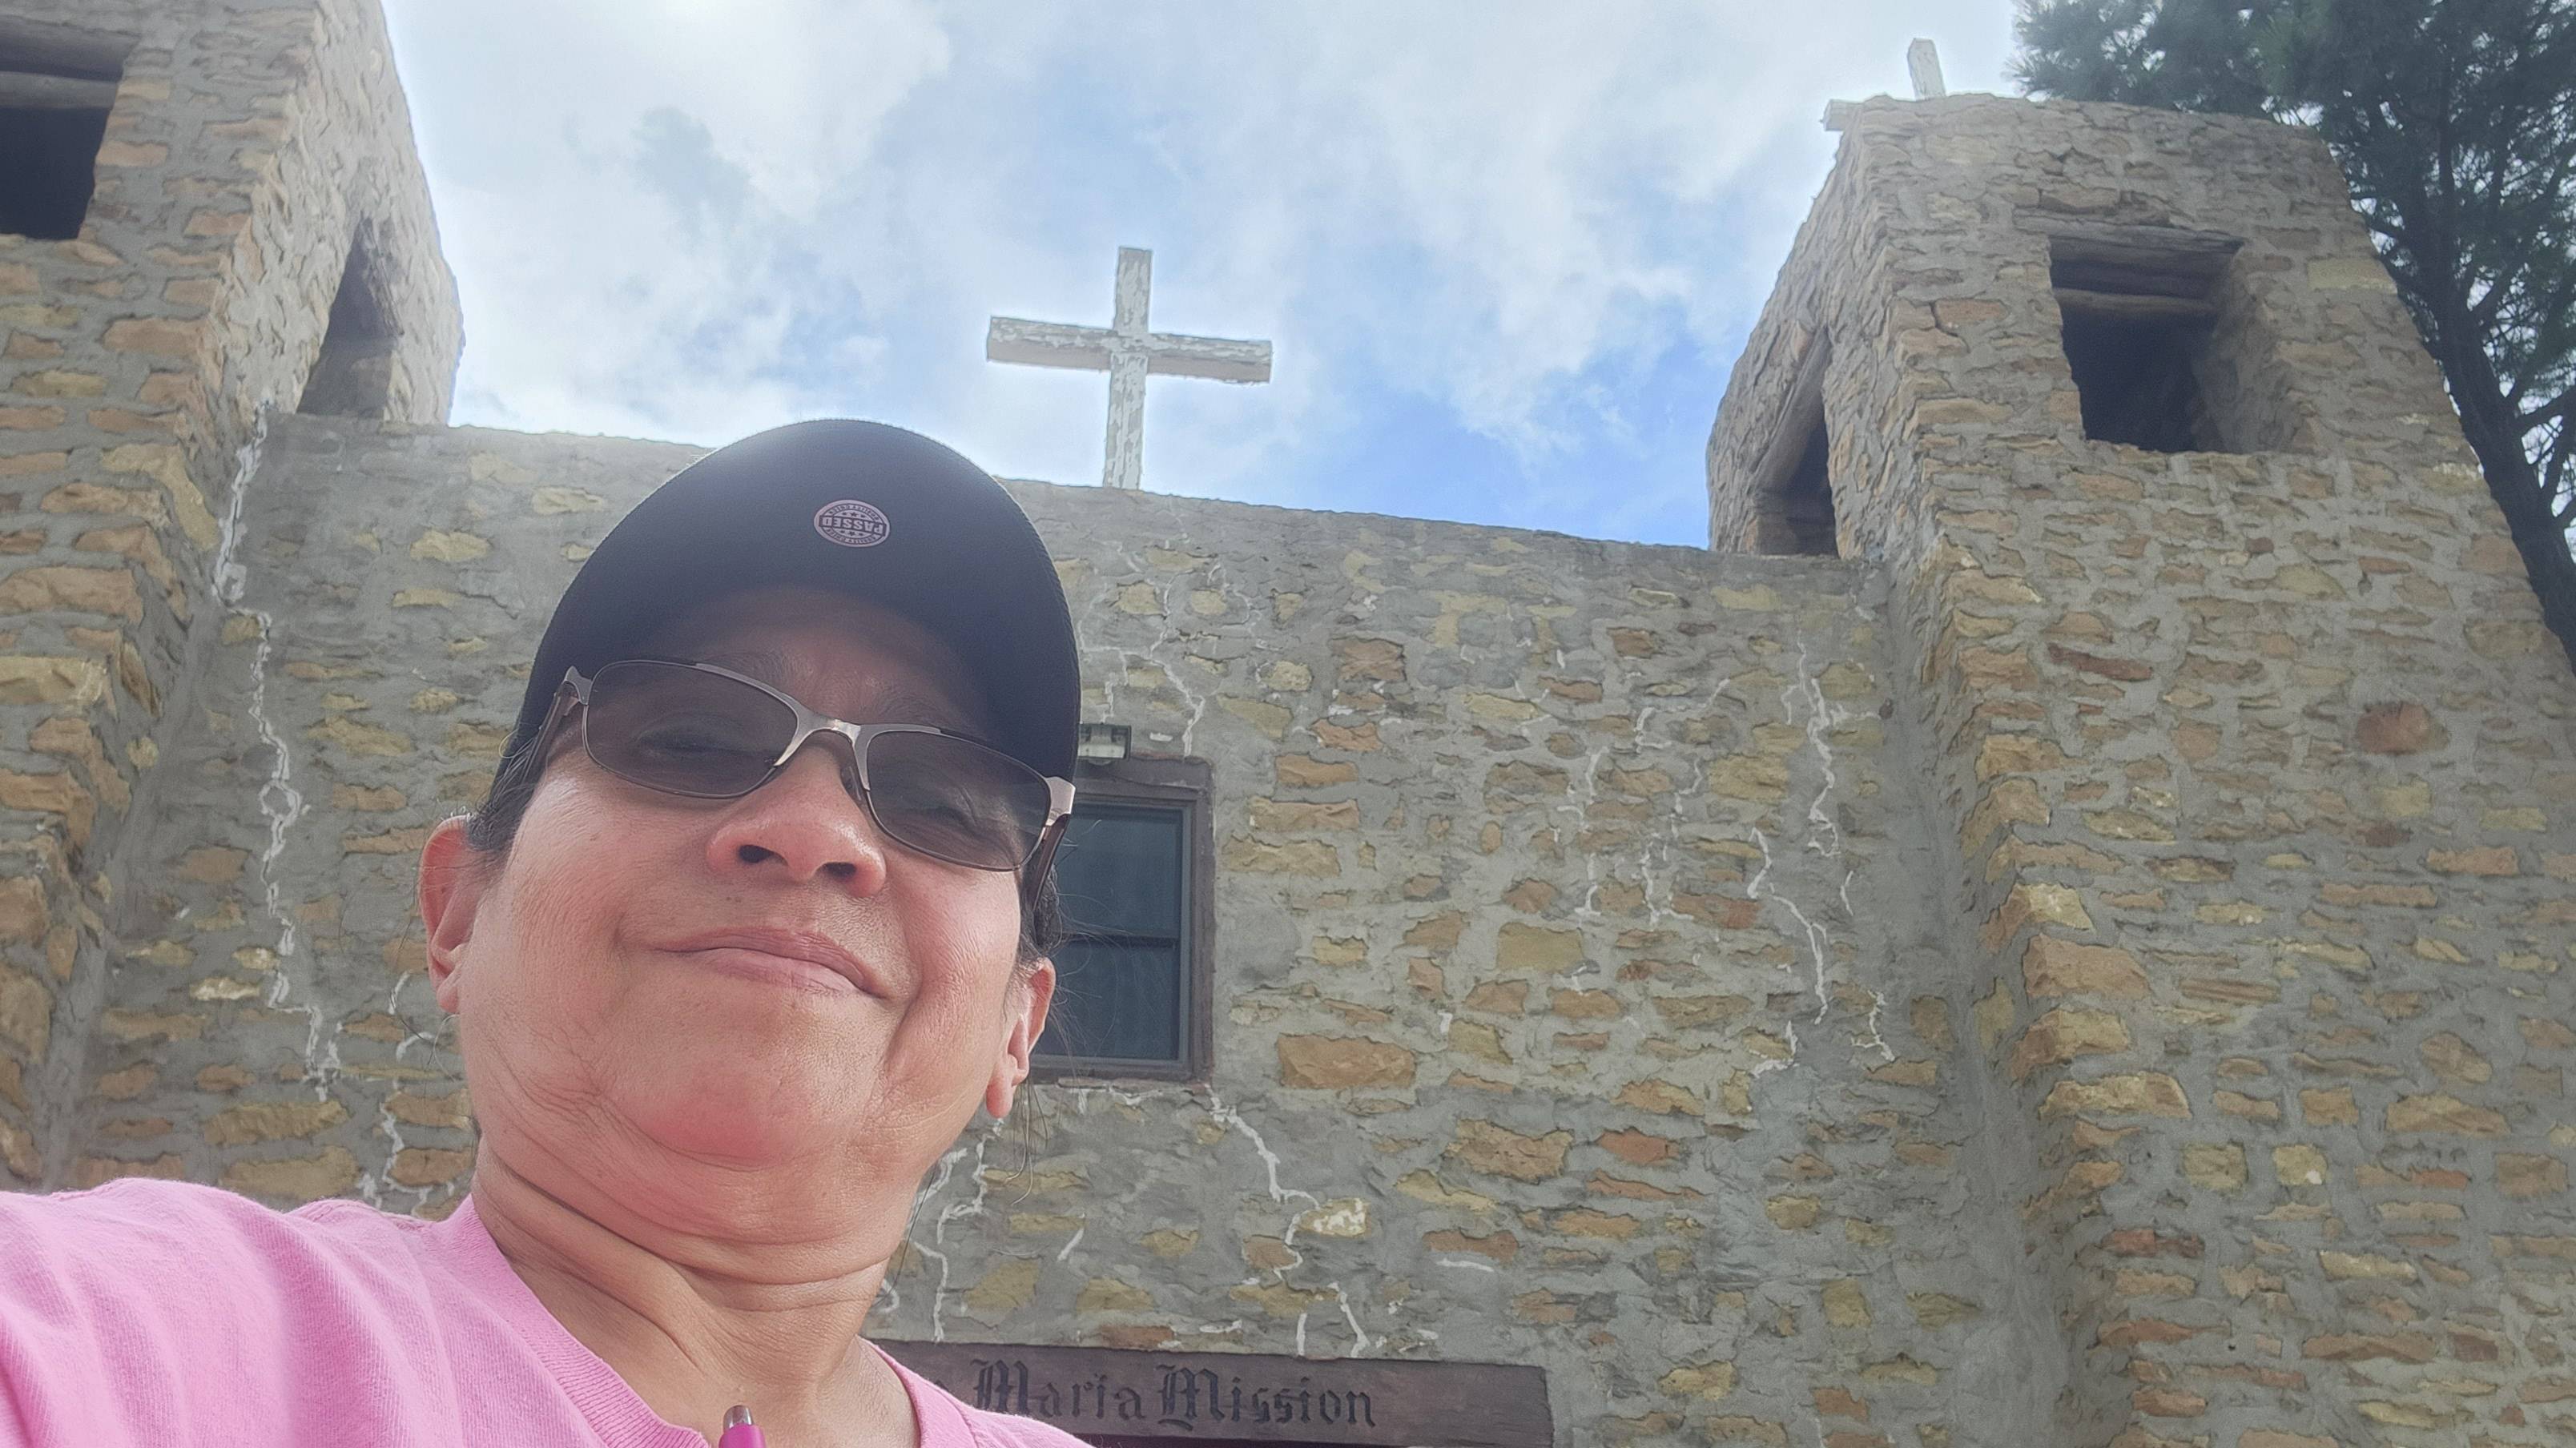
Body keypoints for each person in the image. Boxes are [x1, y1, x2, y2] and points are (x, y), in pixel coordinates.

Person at [0, 421, 1098, 1448]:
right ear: (459, 912)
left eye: (944, 799)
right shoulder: (108, 1332)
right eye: (690, 738)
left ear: (1020, 1026)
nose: (813, 832)